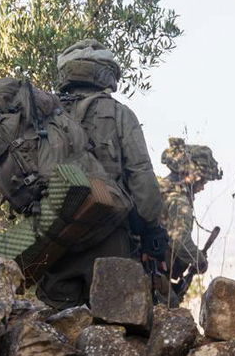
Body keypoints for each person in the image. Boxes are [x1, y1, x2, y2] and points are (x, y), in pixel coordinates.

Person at [35, 39, 167, 309]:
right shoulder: (119, 114)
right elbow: (142, 180)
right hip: (111, 239)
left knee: (59, 333)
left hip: (53, 244)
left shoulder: (45, 117)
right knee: (117, 330)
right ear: (106, 73)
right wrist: (152, 229)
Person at [159, 136, 222, 295]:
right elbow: (179, 241)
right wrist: (199, 261)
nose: (202, 187)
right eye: (203, 181)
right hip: (153, 271)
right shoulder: (179, 201)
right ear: (192, 177)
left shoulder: (162, 189)